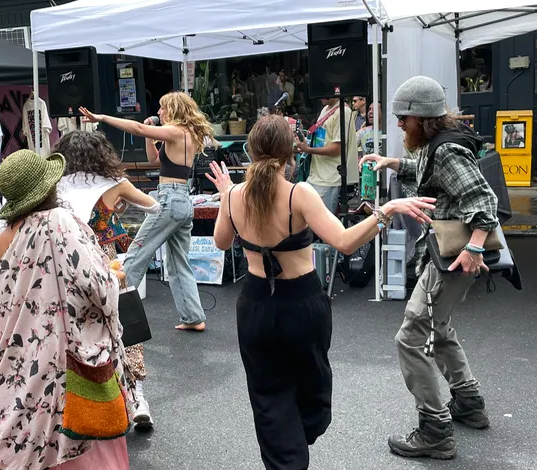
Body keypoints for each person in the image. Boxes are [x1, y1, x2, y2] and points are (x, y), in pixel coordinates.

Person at [205, 114, 437, 470]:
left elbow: (221, 243)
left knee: (268, 394)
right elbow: (344, 243)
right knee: (311, 384)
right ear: (290, 152)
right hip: (301, 304)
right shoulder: (300, 193)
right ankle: (293, 449)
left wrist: (226, 199)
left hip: (255, 307)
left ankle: (287, 450)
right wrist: (386, 210)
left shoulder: (235, 194)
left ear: (250, 151)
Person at [0, 149, 132, 470]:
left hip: (28, 372)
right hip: (72, 366)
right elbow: (99, 288)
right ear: (48, 187)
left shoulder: (5, 238)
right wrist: (114, 275)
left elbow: (3, 303)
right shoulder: (63, 222)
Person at [360, 75, 499, 460]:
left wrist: (473, 248)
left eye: (403, 117)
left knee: (410, 338)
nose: (399, 124)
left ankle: (434, 429)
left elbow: (482, 200)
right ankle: (468, 403)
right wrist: (393, 163)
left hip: (453, 258)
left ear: (421, 117)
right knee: (438, 329)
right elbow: (428, 169)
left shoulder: (447, 151)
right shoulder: (438, 144)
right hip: (448, 255)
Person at [79, 91, 215, 331]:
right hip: (182, 200)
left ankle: (113, 314)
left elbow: (137, 130)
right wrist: (149, 136)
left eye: (163, 108)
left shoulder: (176, 131)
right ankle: (193, 317)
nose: (159, 112)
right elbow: (155, 161)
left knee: (136, 254)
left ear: (173, 109)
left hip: (170, 199)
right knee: (178, 262)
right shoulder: (187, 134)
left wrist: (103, 117)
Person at [54, 130, 160, 429]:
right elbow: (154, 208)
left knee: (77, 324)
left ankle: (82, 402)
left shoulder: (56, 184)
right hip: (105, 258)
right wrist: (119, 208)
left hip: (69, 259)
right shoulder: (114, 183)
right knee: (122, 318)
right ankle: (138, 397)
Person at [294, 97, 359, 212]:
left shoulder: (343, 112)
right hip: (316, 176)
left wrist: (308, 149)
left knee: (323, 225)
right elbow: (322, 141)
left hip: (330, 179)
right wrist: (305, 145)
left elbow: (337, 148)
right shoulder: (326, 109)